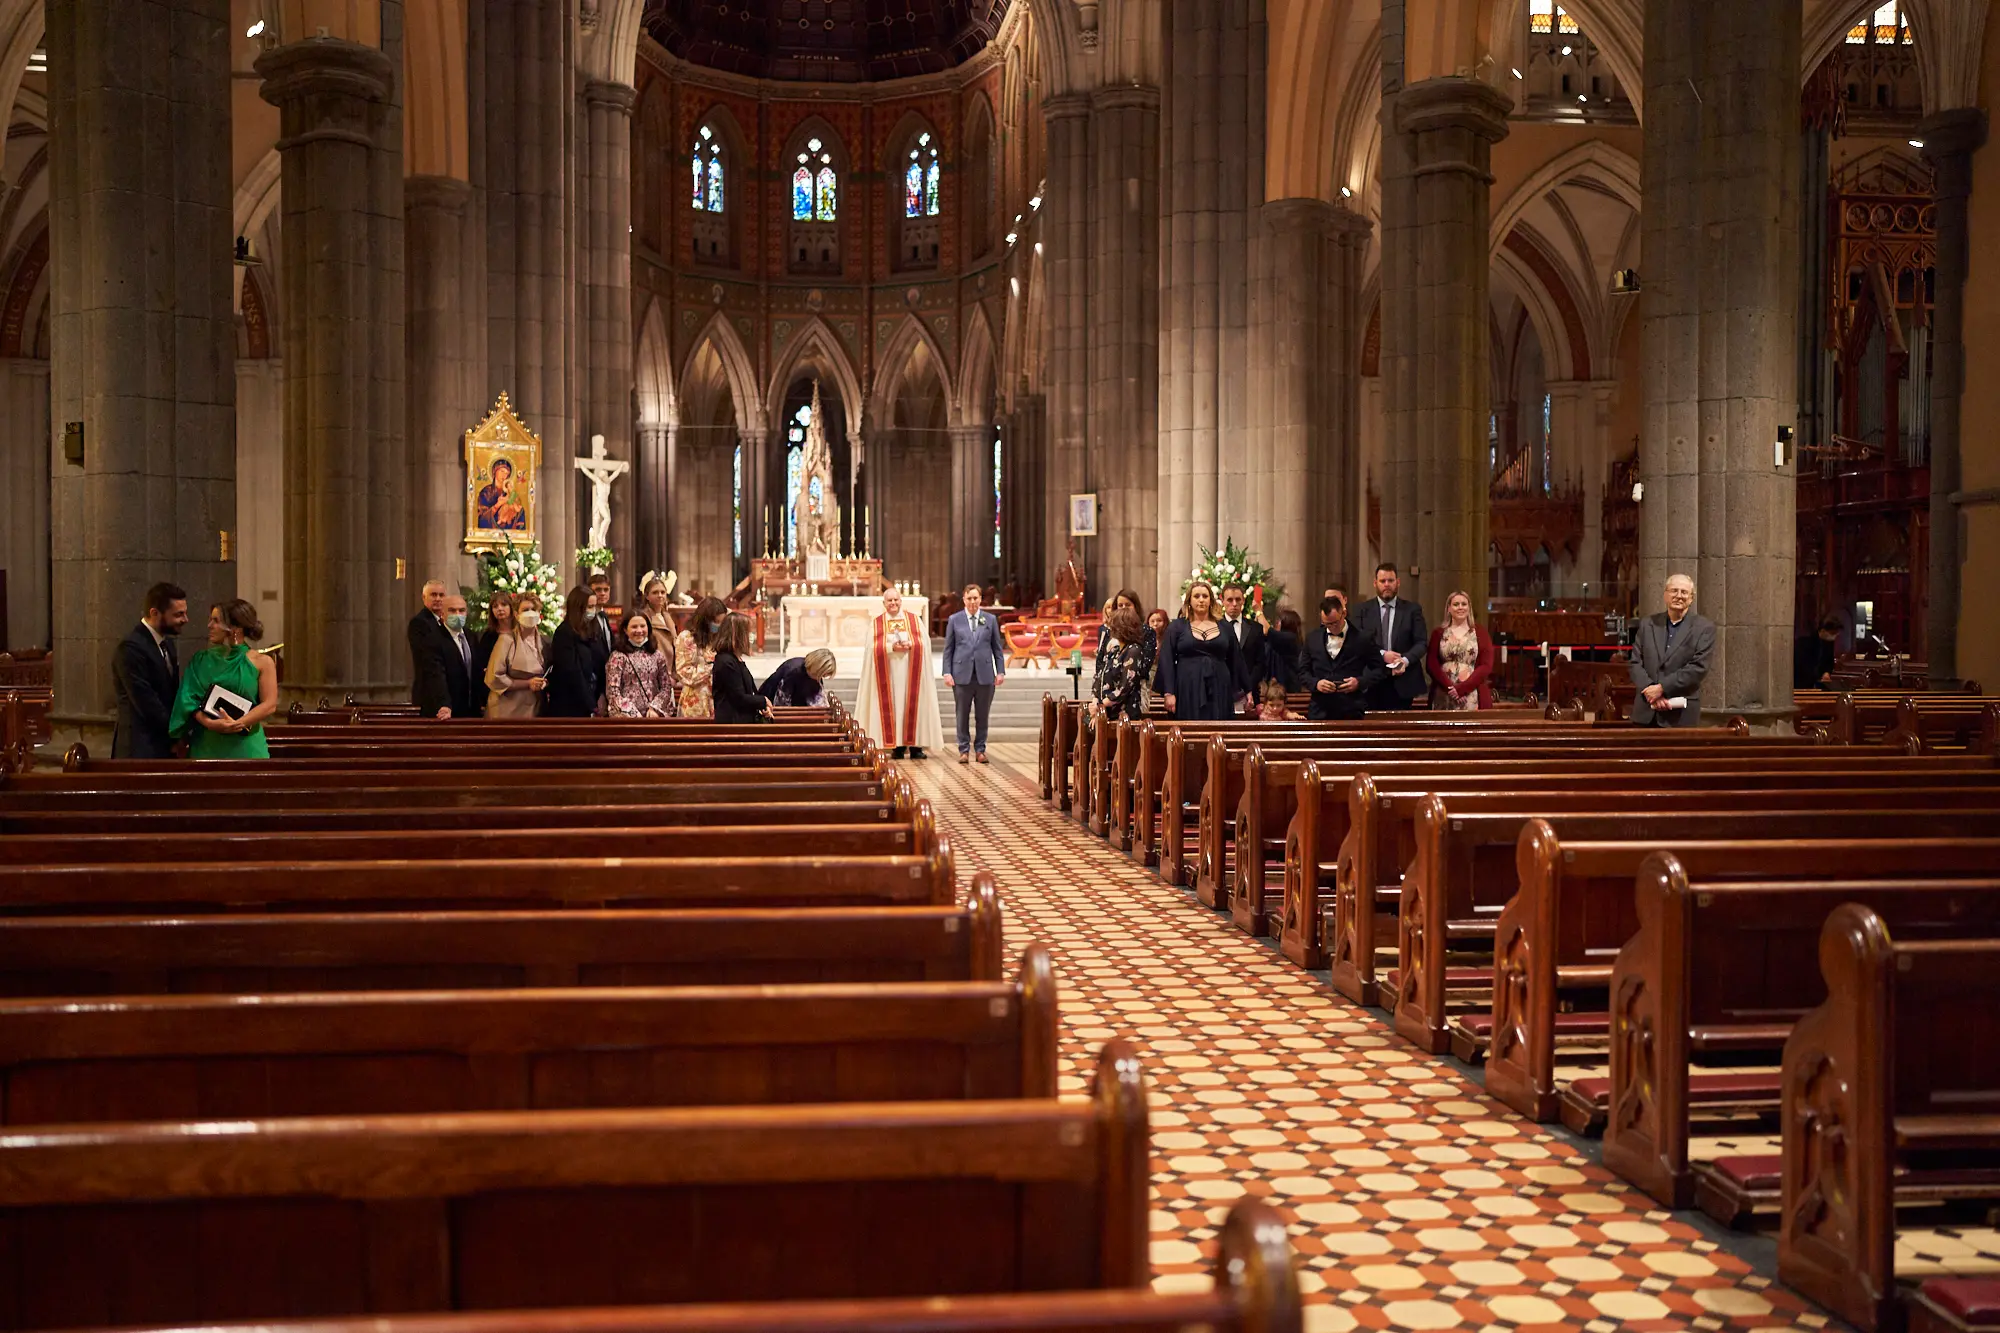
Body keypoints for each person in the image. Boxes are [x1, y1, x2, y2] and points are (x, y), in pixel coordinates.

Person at [169, 599, 278, 758]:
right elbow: (188, 699)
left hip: (246, 746)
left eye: (216, 621)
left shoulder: (263, 662)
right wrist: (210, 723)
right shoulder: (200, 660)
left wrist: (238, 723)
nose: (209, 625)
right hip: (207, 745)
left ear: (234, 628)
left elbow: (269, 704)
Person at [855, 585, 944, 759]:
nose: (893, 603)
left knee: (913, 707)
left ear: (901, 601)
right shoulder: (877, 623)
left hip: (912, 675)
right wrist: (891, 647)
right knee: (895, 709)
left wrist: (912, 645)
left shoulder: (914, 620)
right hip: (889, 677)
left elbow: (924, 643)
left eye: (896, 600)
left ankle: (916, 747)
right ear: (884, 603)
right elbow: (870, 649)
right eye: (890, 600)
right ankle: (897, 747)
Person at [112, 581, 188, 758]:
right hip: (139, 747)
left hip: (162, 744)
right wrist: (177, 732)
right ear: (155, 613)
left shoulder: (167, 643)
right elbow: (146, 702)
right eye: (178, 614)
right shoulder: (130, 648)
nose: (185, 619)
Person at [1630, 573, 1716, 727]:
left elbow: (1698, 668)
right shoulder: (1647, 624)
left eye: (1684, 592)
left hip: (1680, 715)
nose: (1679, 596)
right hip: (1646, 711)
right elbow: (1635, 662)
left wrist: (1662, 688)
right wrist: (1651, 692)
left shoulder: (1704, 628)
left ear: (1691, 598)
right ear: (1665, 595)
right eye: (1674, 591)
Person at [942, 583, 1009, 765]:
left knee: (982, 715)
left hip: (985, 674)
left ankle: (980, 749)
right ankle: (963, 750)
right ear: (964, 599)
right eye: (969, 598)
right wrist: (947, 672)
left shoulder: (990, 620)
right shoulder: (955, 620)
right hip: (961, 674)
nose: (972, 601)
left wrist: (1000, 671)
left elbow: (997, 648)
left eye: (975, 598)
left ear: (980, 599)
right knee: (962, 714)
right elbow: (949, 649)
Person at [1160, 581, 1244, 721]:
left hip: (1219, 685)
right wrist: (1169, 692)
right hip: (1187, 685)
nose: (1201, 600)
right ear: (1189, 600)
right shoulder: (1177, 626)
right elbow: (1166, 659)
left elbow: (1236, 659)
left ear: (1211, 600)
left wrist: (1244, 691)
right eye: (1196, 596)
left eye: (1205, 596)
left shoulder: (1224, 626)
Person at [1349, 563, 1427, 711]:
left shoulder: (1412, 610)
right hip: (1371, 681)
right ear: (1375, 583)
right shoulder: (1362, 610)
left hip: (1403, 680)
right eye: (1382, 581)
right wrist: (1383, 654)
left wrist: (1404, 660)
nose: (1387, 585)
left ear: (1398, 582)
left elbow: (1421, 643)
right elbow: (1356, 641)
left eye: (1390, 581)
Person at [1303, 592, 1385, 721]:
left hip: (1351, 710)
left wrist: (1359, 682)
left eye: (1334, 623)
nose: (1330, 628)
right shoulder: (1312, 638)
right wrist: (1316, 684)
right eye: (1326, 624)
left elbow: (1379, 669)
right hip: (1319, 711)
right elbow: (1302, 672)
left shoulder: (1363, 639)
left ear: (1344, 614)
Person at [1425, 591, 1495, 711]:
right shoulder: (1438, 633)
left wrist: (1462, 689)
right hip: (1443, 693)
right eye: (1456, 604)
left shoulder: (1480, 632)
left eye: (1464, 604)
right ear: (1449, 609)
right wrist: (1450, 688)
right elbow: (1431, 664)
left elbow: (1486, 666)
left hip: (1472, 693)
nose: (1460, 607)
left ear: (1469, 608)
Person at [545, 586, 605, 717]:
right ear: (577, 608)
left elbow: (601, 661)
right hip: (570, 703)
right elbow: (571, 672)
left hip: (593, 697)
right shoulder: (564, 633)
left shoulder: (593, 629)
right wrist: (590, 705)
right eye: (589, 607)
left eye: (594, 606)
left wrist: (601, 693)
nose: (592, 611)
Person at [485, 592, 547, 718]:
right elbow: (494, 677)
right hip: (508, 709)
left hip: (535, 707)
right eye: (525, 610)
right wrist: (527, 683)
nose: (530, 613)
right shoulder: (506, 640)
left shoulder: (544, 641)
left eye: (533, 609)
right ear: (516, 614)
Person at [407, 579, 461, 719]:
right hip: (430, 692)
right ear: (424, 598)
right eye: (433, 595)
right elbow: (429, 660)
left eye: (441, 595)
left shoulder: (449, 622)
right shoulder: (419, 623)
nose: (438, 599)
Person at [1093, 604, 1157, 722]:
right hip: (1106, 710)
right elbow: (1100, 675)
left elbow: (1126, 686)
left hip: (1123, 714)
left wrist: (1102, 704)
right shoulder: (1115, 650)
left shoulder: (1134, 650)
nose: (1110, 629)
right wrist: (1095, 700)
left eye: (1114, 624)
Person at [605, 611, 674, 718]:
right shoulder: (618, 656)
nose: (639, 630)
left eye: (642, 626)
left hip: (653, 716)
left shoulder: (657, 655)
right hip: (627, 718)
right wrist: (633, 714)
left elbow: (666, 687)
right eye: (634, 627)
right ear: (625, 630)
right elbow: (613, 692)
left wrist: (655, 708)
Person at [711, 612, 772, 723]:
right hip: (732, 724)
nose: (751, 635)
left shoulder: (735, 659)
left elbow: (749, 690)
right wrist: (763, 700)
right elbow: (738, 697)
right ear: (738, 635)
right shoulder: (726, 661)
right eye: (748, 632)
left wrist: (761, 707)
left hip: (741, 720)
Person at [674, 596, 728, 719]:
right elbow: (684, 673)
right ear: (705, 621)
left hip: (720, 699)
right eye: (716, 622)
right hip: (697, 700)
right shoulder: (687, 638)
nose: (719, 626)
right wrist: (713, 667)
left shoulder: (721, 638)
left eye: (722, 622)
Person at [1219, 583, 1268, 708]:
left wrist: (1247, 687)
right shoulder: (1215, 627)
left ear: (1243, 601)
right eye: (1230, 600)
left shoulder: (1256, 628)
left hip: (1250, 693)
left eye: (1238, 600)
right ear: (1222, 600)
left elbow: (1260, 663)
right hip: (1221, 691)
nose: (1234, 604)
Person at [438, 593, 481, 719]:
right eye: (452, 610)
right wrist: (444, 704)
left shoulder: (471, 636)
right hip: (448, 710)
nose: (458, 615)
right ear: (442, 613)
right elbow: (436, 674)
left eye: (461, 610)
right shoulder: (434, 639)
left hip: (472, 709)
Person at [638, 570, 680, 685]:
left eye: (663, 592)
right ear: (647, 596)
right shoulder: (643, 617)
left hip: (669, 674)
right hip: (652, 677)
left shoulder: (667, 616)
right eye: (655, 592)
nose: (660, 595)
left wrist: (674, 676)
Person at [760, 648, 839, 708]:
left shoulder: (816, 676)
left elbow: (820, 702)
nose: (823, 677)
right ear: (818, 668)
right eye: (823, 674)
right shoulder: (793, 671)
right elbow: (782, 705)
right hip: (768, 706)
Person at [473, 591, 513, 694]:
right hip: (495, 688)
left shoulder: (520, 632)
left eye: (504, 605)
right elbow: (481, 664)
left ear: (511, 607)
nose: (499, 609)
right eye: (495, 606)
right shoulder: (489, 635)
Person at [1794, 615, 1842, 689]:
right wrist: (1816, 677)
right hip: (1802, 683)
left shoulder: (1829, 642)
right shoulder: (1805, 641)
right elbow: (1802, 664)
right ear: (1823, 631)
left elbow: (1829, 662)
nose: (1834, 636)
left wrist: (1826, 672)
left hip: (1820, 683)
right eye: (1832, 633)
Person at [1265, 607, 1306, 693]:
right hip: (1274, 689)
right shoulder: (1276, 641)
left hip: (1289, 688)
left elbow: (1267, 631)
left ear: (1287, 623)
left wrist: (1258, 612)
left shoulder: (1291, 639)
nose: (1276, 624)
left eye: (1279, 621)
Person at [1146, 607, 1172, 702]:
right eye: (1152, 621)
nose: (1155, 624)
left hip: (1162, 677)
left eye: (1159, 621)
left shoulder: (1169, 639)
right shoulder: (1144, 641)